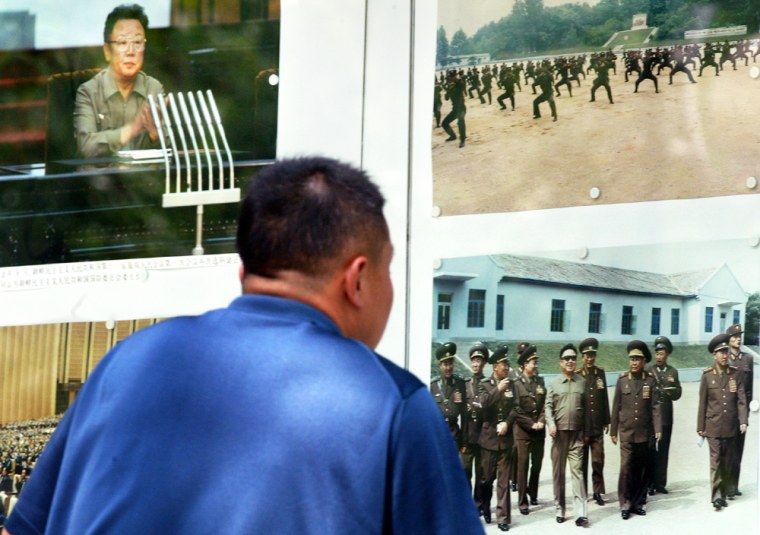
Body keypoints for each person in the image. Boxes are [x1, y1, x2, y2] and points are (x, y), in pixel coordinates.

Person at [3, 157, 484, 534]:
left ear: (245, 274)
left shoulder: (126, 360)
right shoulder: (391, 404)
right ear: (358, 279)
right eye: (388, 269)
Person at [74, 4, 164, 158]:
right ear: (107, 51)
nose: (130, 52)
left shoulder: (153, 88)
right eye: (122, 43)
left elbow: (170, 154)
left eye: (137, 43)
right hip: (101, 180)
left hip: (141, 180)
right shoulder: (88, 92)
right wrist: (133, 128)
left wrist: (155, 135)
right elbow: (86, 147)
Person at [610, 340, 661, 520]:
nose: (633, 362)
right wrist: (613, 430)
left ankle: (638, 502)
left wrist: (658, 429)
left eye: (637, 359)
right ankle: (625, 503)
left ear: (644, 361)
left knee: (641, 469)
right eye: (631, 358)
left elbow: (655, 407)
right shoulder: (622, 380)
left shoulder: (650, 381)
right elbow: (616, 406)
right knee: (626, 468)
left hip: (644, 433)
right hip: (626, 432)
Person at [697, 333, 748, 510]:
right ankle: (717, 496)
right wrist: (700, 427)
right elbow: (702, 403)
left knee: (727, 460)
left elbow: (741, 399)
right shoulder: (707, 376)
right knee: (716, 461)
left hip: (731, 425)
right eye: (721, 352)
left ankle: (724, 492)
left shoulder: (735, 374)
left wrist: (743, 420)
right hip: (713, 426)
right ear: (714, 355)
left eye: (726, 352)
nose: (725, 355)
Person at [544, 344, 589, 527]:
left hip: (577, 435)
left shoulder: (582, 382)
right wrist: (551, 423)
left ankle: (581, 513)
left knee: (577, 473)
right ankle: (559, 509)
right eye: (566, 359)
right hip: (559, 436)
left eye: (573, 358)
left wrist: (586, 432)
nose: (570, 361)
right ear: (560, 362)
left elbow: (587, 411)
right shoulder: (554, 384)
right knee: (558, 474)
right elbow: (547, 407)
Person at [477, 344, 515, 531]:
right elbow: (483, 405)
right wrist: (498, 389)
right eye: (503, 365)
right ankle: (485, 504)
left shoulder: (512, 383)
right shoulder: (484, 385)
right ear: (495, 367)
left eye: (507, 364)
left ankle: (503, 518)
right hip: (489, 440)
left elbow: (515, 408)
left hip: (505, 441)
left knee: (503, 481)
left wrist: (507, 422)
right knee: (486, 479)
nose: (507, 368)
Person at [511, 344, 546, 515]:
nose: (536, 365)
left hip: (539, 432)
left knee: (537, 464)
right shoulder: (517, 384)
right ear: (525, 364)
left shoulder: (540, 381)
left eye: (536, 362)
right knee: (523, 466)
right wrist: (530, 424)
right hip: (524, 432)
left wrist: (540, 421)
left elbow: (546, 405)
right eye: (533, 362)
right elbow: (516, 410)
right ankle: (523, 501)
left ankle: (533, 493)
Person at [647, 335, 682, 495]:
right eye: (657, 353)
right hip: (651, 418)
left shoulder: (673, 372)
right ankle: (649, 483)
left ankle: (660, 483)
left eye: (662, 354)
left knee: (663, 450)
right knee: (650, 450)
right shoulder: (649, 371)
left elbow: (678, 394)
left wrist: (673, 391)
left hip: (666, 417)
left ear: (667, 354)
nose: (659, 357)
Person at [578, 337, 610, 506]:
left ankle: (597, 491)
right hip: (583, 427)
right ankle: (582, 492)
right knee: (582, 462)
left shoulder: (600, 373)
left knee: (598, 460)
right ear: (582, 357)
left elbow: (604, 397)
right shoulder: (577, 375)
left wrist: (607, 420)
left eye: (592, 355)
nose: (589, 358)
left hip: (597, 425)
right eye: (586, 355)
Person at [725, 323, 753, 499]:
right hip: (727, 411)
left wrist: (748, 412)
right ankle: (726, 485)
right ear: (728, 340)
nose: (738, 339)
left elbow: (749, 389)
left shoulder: (748, 359)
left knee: (738, 449)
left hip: (742, 410)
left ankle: (734, 485)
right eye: (735, 337)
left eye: (740, 336)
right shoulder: (724, 358)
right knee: (727, 449)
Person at [462, 342, 489, 515]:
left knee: (481, 474)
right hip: (467, 436)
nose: (475, 364)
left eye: (479, 360)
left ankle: (478, 504)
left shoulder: (488, 384)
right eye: (473, 360)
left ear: (484, 363)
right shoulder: (464, 385)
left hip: (483, 436)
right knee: (465, 472)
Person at [431, 342, 468, 451]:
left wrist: (464, 442)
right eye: (445, 364)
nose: (448, 367)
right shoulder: (433, 386)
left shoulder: (460, 384)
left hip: (454, 435)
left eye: (450, 363)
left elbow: (464, 414)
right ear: (440, 366)